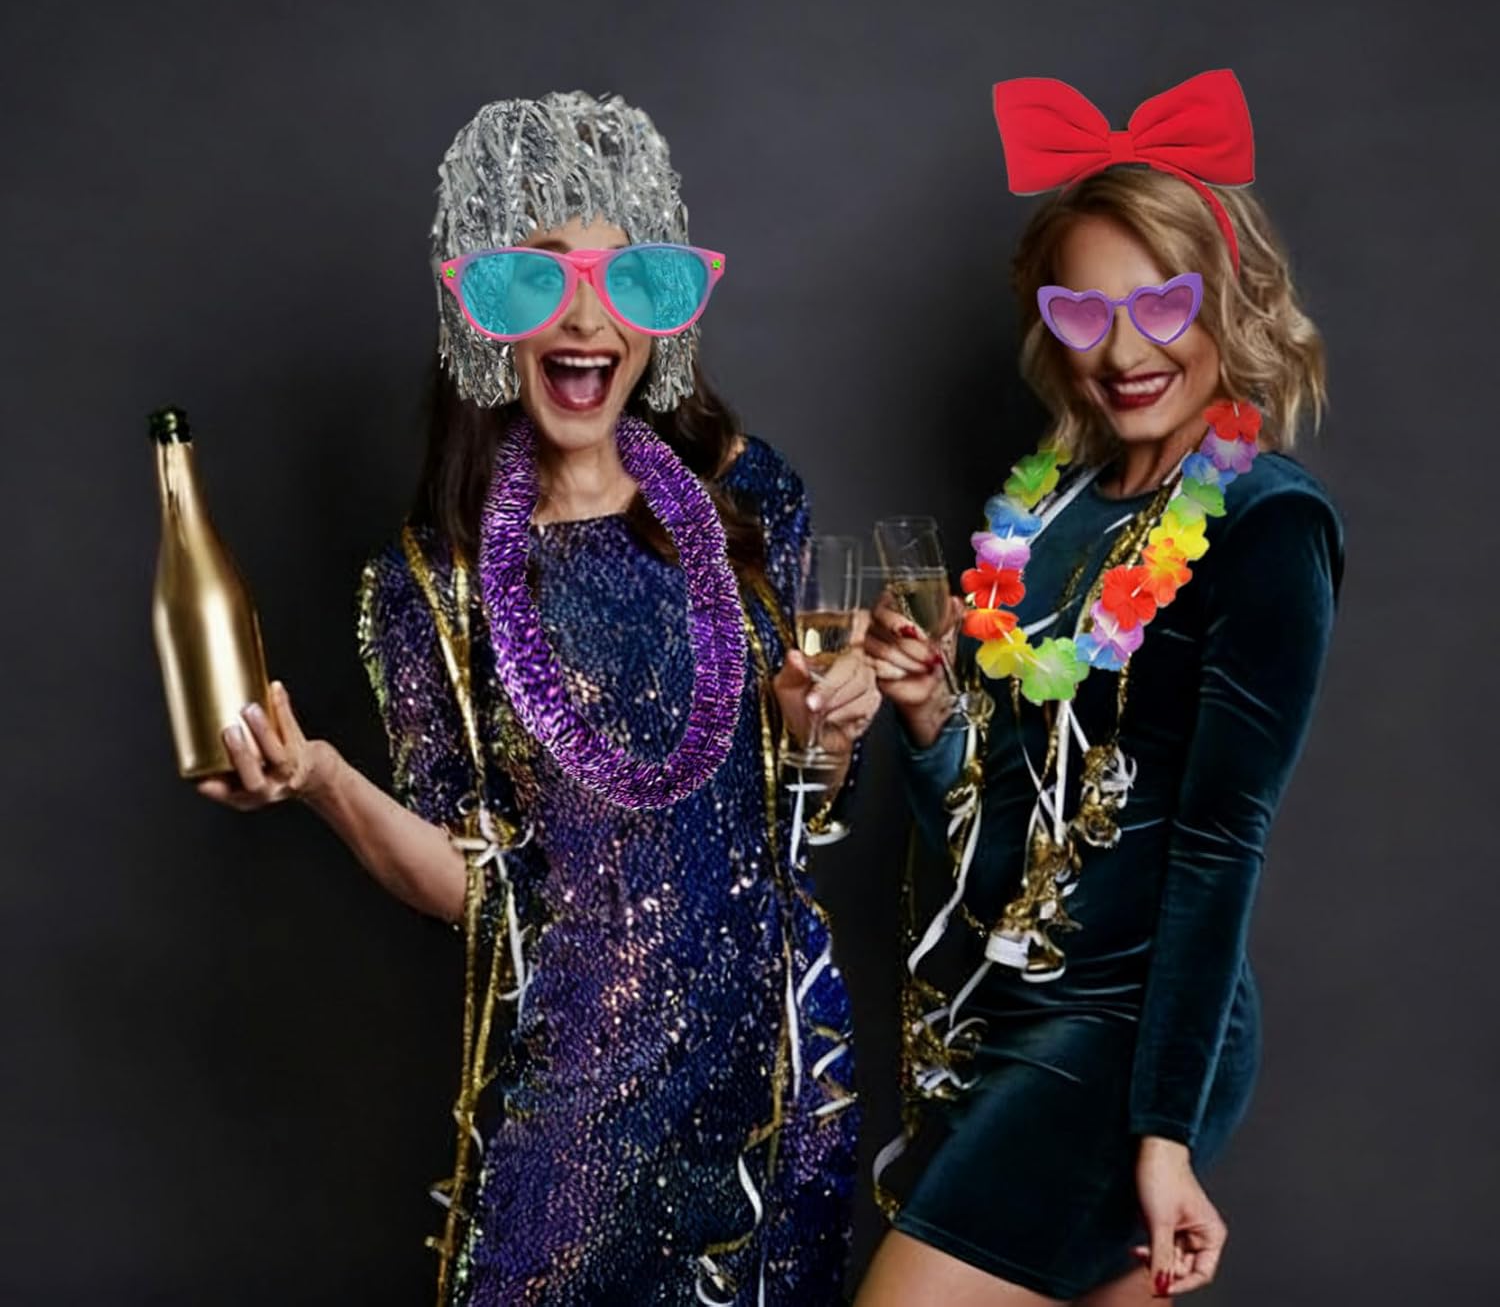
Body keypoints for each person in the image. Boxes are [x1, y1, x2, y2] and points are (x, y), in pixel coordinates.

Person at [197, 91, 877, 1306]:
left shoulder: (748, 505)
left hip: (777, 1097)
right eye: (544, 277)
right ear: (487, 311)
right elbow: (476, 887)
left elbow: (799, 804)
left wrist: (824, 730)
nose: (586, 318)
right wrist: (324, 783)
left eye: (622, 281)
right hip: (582, 1122)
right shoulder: (430, 588)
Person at [858, 72, 1343, 1305]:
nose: (1124, 353)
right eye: (1085, 312)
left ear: (1224, 297)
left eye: (1161, 304)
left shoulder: (1267, 522)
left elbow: (1221, 844)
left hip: (1128, 1038)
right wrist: (930, 717)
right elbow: (1002, 833)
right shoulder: (1049, 515)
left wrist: (1164, 1136)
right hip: (1007, 1008)